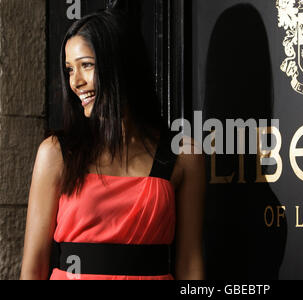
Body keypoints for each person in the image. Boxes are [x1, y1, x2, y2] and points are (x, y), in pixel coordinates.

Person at [20, 9, 205, 280]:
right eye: (70, 69)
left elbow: (190, 264)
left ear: (119, 65)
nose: (75, 82)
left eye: (86, 65)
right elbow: (34, 265)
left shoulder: (184, 156)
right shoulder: (56, 153)